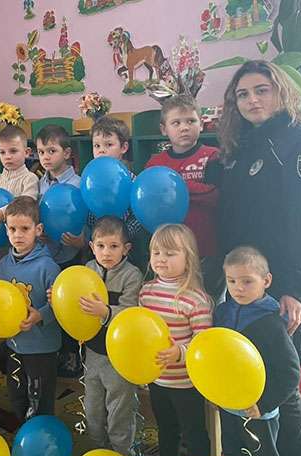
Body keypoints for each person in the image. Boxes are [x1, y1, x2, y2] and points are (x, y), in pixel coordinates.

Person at [210, 60, 301, 456]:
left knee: (283, 383)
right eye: (243, 94)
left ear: (281, 91)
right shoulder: (242, 145)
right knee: (251, 373)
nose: (252, 100)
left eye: (261, 90)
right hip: (243, 285)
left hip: (284, 289)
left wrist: (298, 290)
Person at [216, 246, 301, 456]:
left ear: (266, 281)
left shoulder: (272, 321)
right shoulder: (222, 313)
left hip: (259, 411)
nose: (238, 288)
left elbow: (290, 373)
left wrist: (262, 404)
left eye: (247, 281)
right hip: (228, 405)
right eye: (231, 281)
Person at [139, 224, 212, 456]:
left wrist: (179, 352)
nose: (161, 259)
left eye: (170, 254)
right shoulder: (146, 292)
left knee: (193, 431)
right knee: (166, 428)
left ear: (188, 258)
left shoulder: (196, 299)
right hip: (158, 379)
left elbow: (203, 344)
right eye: (156, 253)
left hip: (185, 382)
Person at [81, 216, 143, 456]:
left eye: (114, 246)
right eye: (101, 246)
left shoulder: (132, 275)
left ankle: (122, 455)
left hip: (119, 356)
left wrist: (106, 312)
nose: (106, 252)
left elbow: (131, 314)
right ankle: (98, 449)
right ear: (91, 247)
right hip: (93, 352)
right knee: (92, 407)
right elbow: (75, 304)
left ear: (126, 249)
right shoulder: (87, 270)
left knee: (120, 408)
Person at [0, 196, 60, 422]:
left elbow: (61, 305)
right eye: (12, 229)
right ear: (6, 230)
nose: (18, 235)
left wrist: (40, 315)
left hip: (42, 346)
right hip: (13, 344)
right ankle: (24, 431)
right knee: (17, 394)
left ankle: (42, 434)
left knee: (40, 399)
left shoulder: (48, 267)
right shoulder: (2, 266)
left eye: (25, 228)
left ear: (38, 230)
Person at [146, 95, 219, 294]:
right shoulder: (155, 163)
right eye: (176, 123)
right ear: (164, 129)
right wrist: (196, 189)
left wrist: (176, 185)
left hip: (205, 250)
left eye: (191, 121)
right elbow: (151, 202)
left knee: (206, 302)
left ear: (201, 124)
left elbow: (216, 195)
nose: (184, 128)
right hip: (168, 254)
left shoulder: (212, 156)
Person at [35, 124, 84, 377]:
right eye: (41, 152)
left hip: (71, 257)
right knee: (49, 305)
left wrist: (81, 241)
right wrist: (40, 232)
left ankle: (72, 356)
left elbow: (87, 219)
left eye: (51, 151)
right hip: (46, 256)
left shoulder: (79, 184)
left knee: (69, 307)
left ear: (66, 153)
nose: (45, 157)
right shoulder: (39, 184)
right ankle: (53, 355)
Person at [88, 117, 147, 269]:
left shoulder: (132, 180)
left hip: (125, 248)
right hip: (97, 248)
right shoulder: (89, 180)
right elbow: (87, 211)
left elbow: (138, 215)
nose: (101, 150)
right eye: (96, 145)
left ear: (124, 147)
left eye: (109, 145)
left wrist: (123, 234)